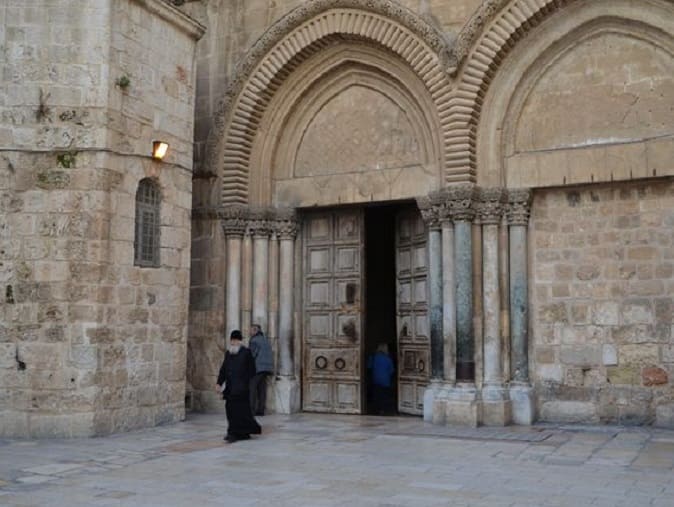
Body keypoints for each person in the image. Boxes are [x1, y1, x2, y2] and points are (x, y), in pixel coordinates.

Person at [216, 330, 261, 443]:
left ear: (240, 341)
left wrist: (244, 382)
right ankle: (237, 432)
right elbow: (224, 369)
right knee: (230, 410)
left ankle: (235, 433)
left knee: (240, 411)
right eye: (232, 340)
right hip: (230, 388)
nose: (233, 342)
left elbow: (252, 370)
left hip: (241, 389)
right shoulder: (228, 353)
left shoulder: (246, 353)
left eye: (235, 340)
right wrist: (219, 383)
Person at [248, 324, 274, 416]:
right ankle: (261, 410)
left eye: (251, 330)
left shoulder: (254, 340)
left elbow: (251, 355)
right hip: (267, 368)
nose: (249, 332)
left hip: (258, 368)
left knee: (251, 388)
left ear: (255, 331)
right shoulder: (266, 340)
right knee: (262, 388)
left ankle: (251, 410)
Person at [370, 343, 395, 415]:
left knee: (377, 396)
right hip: (386, 381)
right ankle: (383, 410)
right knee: (385, 397)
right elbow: (391, 371)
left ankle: (377, 410)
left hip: (375, 380)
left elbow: (369, 367)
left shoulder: (373, 357)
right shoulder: (388, 359)